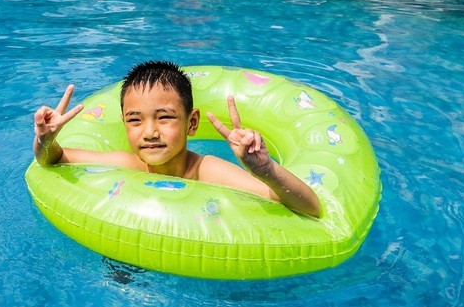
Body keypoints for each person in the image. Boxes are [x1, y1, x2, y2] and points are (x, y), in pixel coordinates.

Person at [33, 60, 322, 218]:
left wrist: (264, 169)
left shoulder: (208, 170)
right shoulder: (127, 164)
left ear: (191, 123)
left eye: (164, 117)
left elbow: (309, 207)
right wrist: (45, 140)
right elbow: (54, 159)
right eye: (135, 120)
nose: (149, 132)